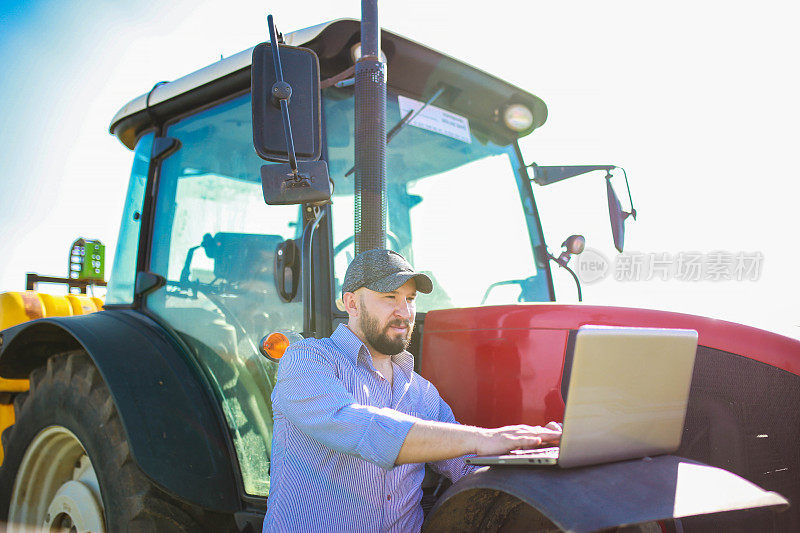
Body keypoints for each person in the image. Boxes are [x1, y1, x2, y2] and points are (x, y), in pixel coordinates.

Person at [263, 249, 561, 532]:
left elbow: (467, 465)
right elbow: (363, 429)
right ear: (352, 304)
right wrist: (486, 438)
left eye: (410, 298)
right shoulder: (307, 360)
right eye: (390, 297)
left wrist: (535, 450)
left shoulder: (421, 392)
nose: (404, 312)